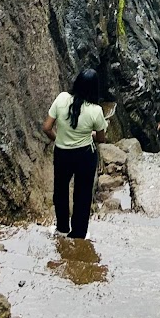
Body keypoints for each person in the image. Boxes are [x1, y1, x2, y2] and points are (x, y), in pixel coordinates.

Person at [43, 67, 109, 239]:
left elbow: (47, 128)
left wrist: (59, 139)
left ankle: (62, 228)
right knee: (83, 194)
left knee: (61, 190)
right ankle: (79, 233)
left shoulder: (62, 98)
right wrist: (89, 133)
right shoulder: (96, 111)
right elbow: (101, 138)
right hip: (85, 156)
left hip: (62, 153)